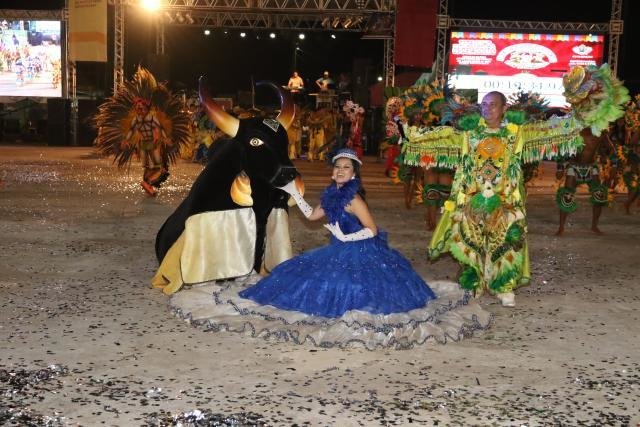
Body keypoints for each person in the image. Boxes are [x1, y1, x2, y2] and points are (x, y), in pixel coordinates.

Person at [166, 148, 492, 349]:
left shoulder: (353, 198)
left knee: (350, 288)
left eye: (346, 168)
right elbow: (311, 216)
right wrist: (294, 194)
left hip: (362, 250)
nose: (340, 171)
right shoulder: (330, 196)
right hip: (337, 248)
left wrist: (349, 238)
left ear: (353, 174)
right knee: (296, 276)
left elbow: (373, 230)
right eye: (337, 166)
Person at [404, 64, 628, 307]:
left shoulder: (517, 134)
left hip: (506, 201)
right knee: (471, 241)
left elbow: (556, 130)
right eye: (484, 104)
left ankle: (503, 286)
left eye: (492, 104)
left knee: (506, 242)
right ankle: (474, 282)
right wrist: (403, 129)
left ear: (504, 109)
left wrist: (585, 110)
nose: (487, 108)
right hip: (471, 199)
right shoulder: (467, 135)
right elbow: (432, 138)